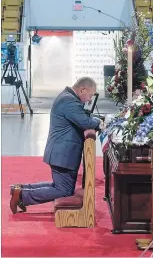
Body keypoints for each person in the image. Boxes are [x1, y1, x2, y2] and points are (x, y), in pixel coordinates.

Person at [10, 77, 104, 214]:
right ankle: (22, 195)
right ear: (82, 89)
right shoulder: (69, 101)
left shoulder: (68, 98)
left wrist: (94, 119)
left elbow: (83, 117)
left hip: (61, 152)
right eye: (90, 95)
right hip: (63, 154)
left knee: (59, 186)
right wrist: (100, 122)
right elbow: (85, 122)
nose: (90, 99)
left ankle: (20, 189)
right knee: (63, 190)